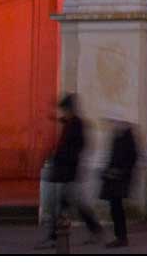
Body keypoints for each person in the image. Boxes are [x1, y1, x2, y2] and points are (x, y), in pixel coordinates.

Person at [37, 94, 101, 248]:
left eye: (64, 110)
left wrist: (58, 157)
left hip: (68, 172)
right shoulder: (72, 122)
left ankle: (56, 236)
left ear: (69, 109)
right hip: (66, 172)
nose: (63, 113)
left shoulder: (76, 125)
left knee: (61, 204)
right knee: (68, 204)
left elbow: (74, 147)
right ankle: (94, 229)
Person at [98, 119, 139, 248]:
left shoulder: (126, 137)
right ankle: (120, 237)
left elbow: (131, 158)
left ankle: (121, 237)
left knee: (117, 209)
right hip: (115, 178)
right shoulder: (118, 136)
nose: (113, 124)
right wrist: (107, 171)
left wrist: (120, 172)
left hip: (119, 179)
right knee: (115, 208)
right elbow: (114, 157)